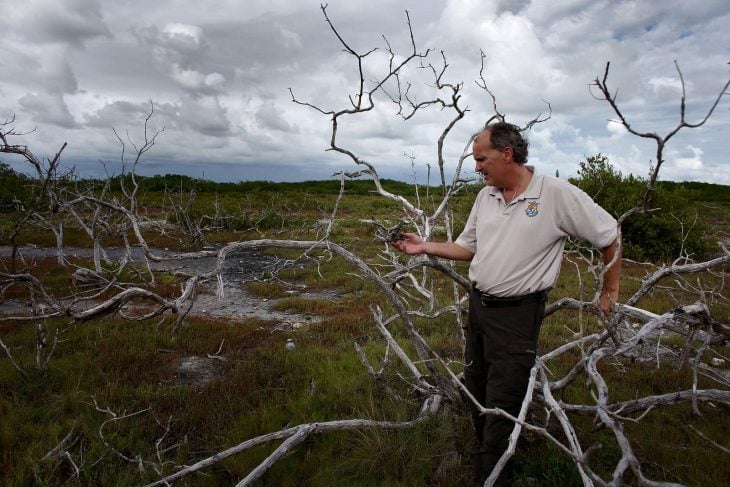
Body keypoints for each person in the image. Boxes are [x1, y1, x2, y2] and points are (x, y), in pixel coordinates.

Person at [391, 122, 621, 485]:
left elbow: (610, 235)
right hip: (479, 308)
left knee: (502, 400)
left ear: (507, 153)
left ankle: (493, 475)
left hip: (518, 315)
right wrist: (424, 246)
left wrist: (610, 291)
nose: (477, 166)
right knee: (476, 386)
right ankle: (488, 452)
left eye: (481, 158)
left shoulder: (556, 194)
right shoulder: (487, 196)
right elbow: (468, 248)